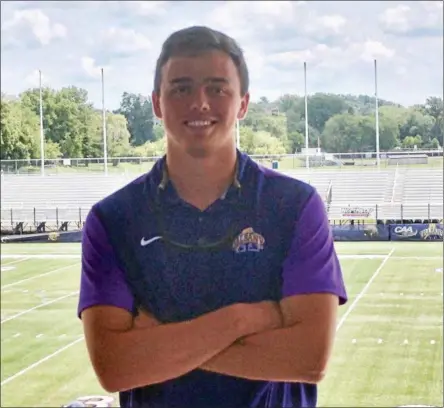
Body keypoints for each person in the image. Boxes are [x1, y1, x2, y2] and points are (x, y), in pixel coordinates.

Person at [78, 26, 348, 408]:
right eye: (181, 88)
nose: (200, 103)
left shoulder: (294, 205)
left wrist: (160, 344)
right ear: (157, 103)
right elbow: (115, 367)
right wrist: (242, 320)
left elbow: (307, 359)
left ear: (243, 103)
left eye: (218, 88)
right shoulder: (114, 218)